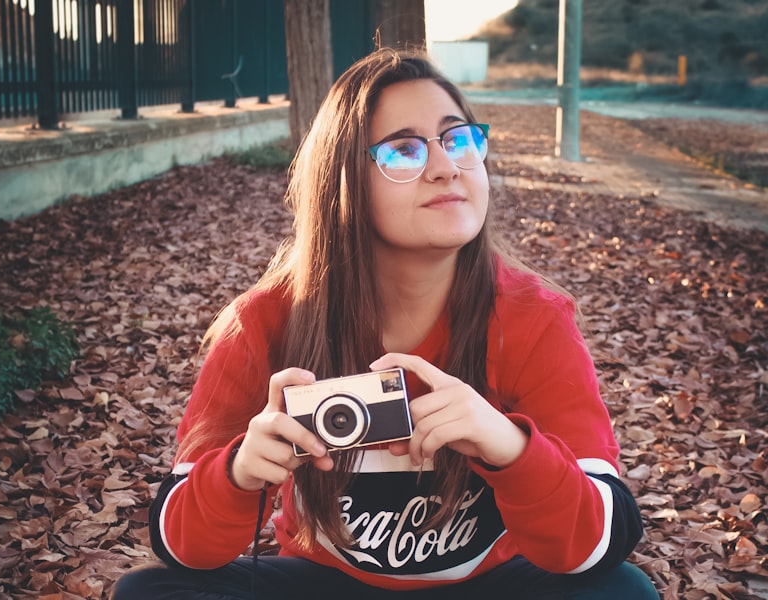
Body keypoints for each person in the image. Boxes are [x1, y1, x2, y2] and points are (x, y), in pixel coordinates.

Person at [112, 48, 660, 600]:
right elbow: (178, 542)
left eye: (459, 138)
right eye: (403, 150)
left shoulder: (532, 316)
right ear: (343, 180)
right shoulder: (266, 320)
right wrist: (237, 474)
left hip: (489, 586)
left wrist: (508, 445)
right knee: (149, 594)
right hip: (326, 585)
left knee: (622, 591)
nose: (446, 166)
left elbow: (603, 537)